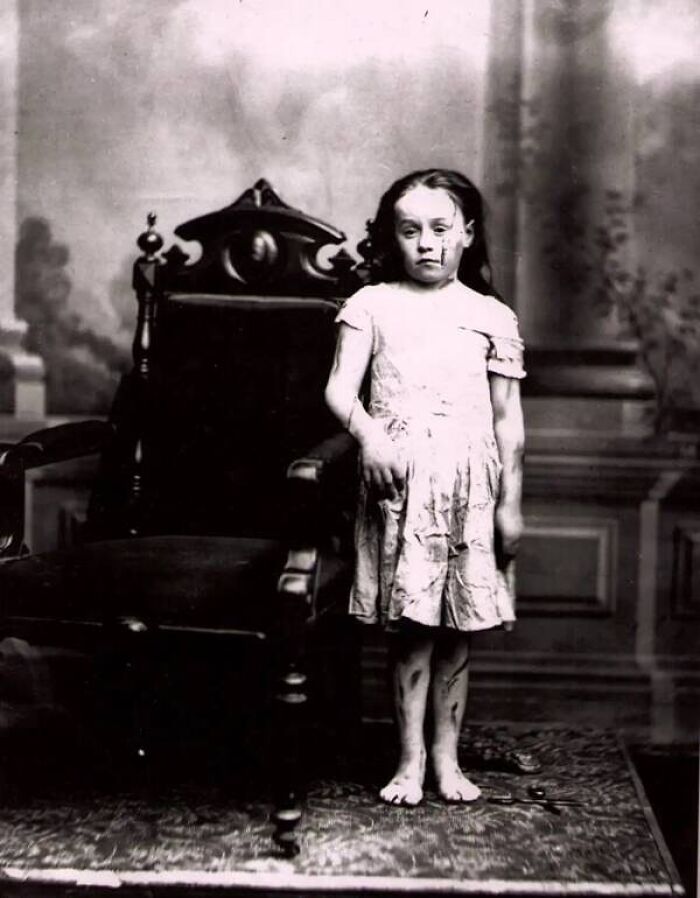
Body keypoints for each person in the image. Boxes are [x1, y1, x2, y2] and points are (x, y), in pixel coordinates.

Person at [324, 169, 525, 807]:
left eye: (441, 229)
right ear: (394, 238)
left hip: (471, 491)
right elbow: (336, 389)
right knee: (412, 627)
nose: (427, 245)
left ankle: (447, 760)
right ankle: (408, 762)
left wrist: (511, 505)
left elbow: (506, 422)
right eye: (411, 231)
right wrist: (371, 436)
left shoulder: (491, 316)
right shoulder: (371, 306)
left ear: (467, 233)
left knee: (457, 629)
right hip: (400, 488)